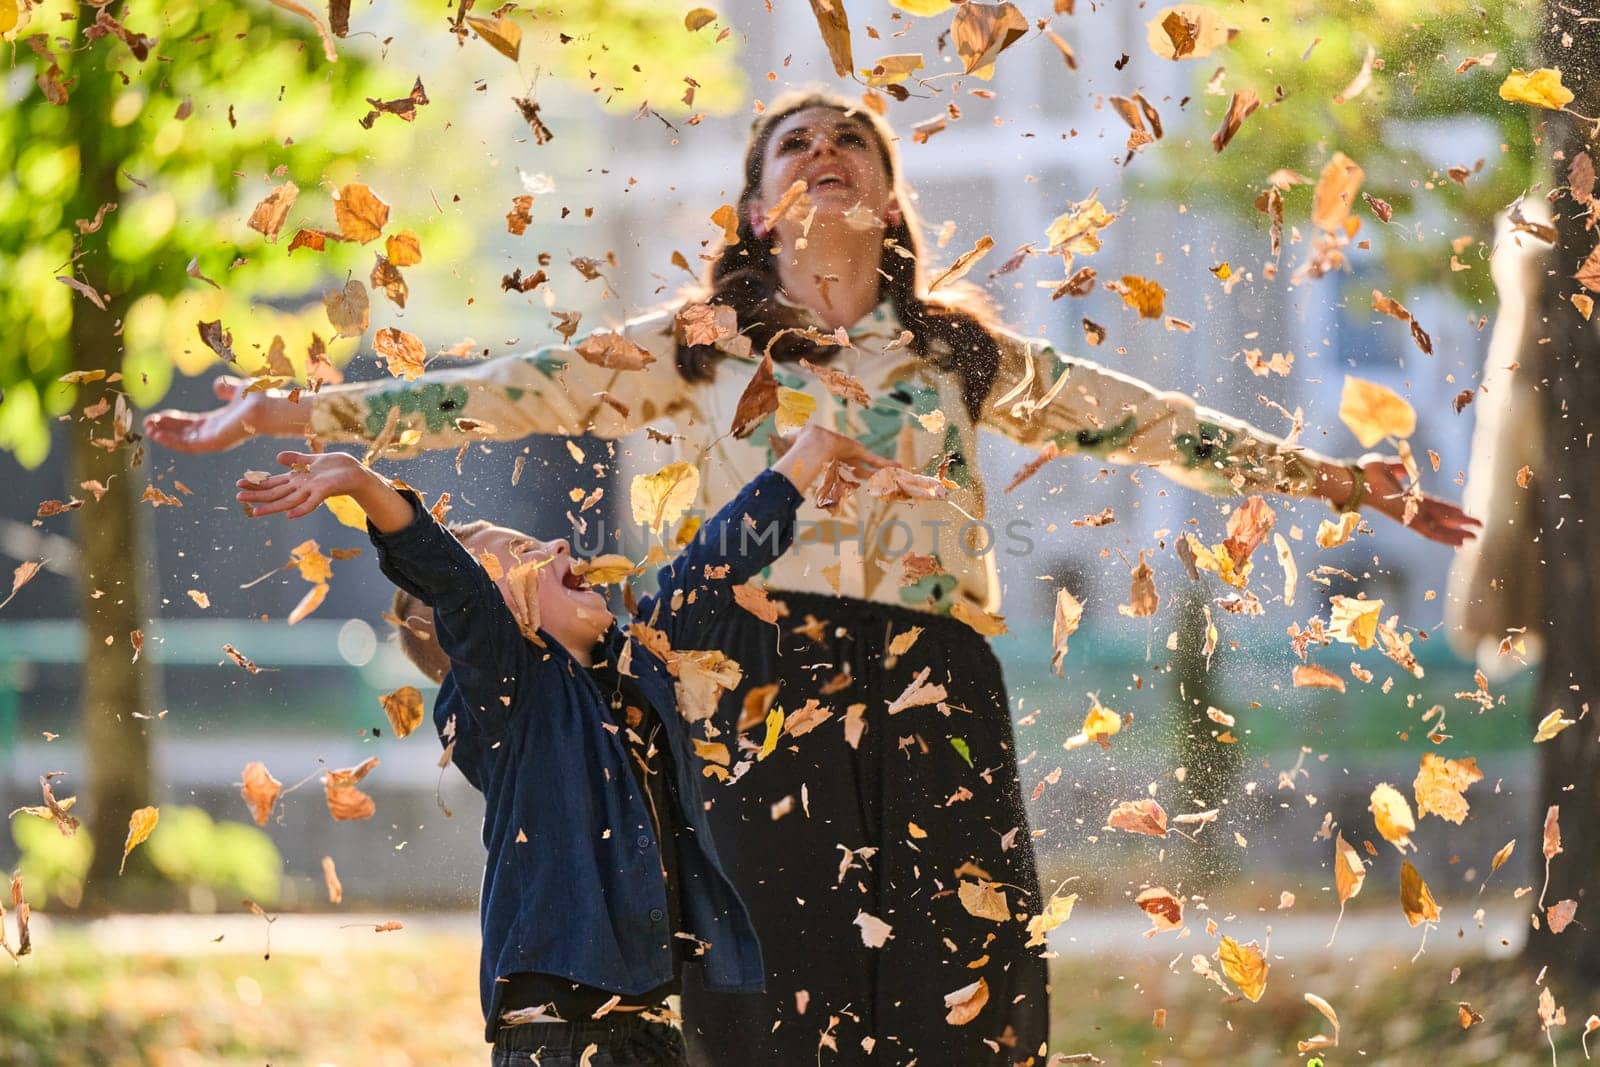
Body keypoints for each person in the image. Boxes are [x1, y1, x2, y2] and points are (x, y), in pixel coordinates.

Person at [153, 90, 1478, 1064]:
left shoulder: (957, 354)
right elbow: (497, 392)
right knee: (774, 989)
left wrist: (1340, 481)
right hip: (743, 684)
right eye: (797, 141)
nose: (828, 149)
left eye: (854, 139)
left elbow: (1135, 416)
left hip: (931, 680)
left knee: (964, 985)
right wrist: (295, 411)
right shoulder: (692, 346)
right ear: (754, 204)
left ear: (892, 202)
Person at [234, 424, 894, 1066]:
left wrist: (810, 452)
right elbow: (451, 581)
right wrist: (362, 482)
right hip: (560, 1040)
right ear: (491, 626)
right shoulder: (515, 695)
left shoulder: (636, 668)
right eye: (520, 556)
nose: (554, 543)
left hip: (646, 1031)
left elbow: (711, 566)